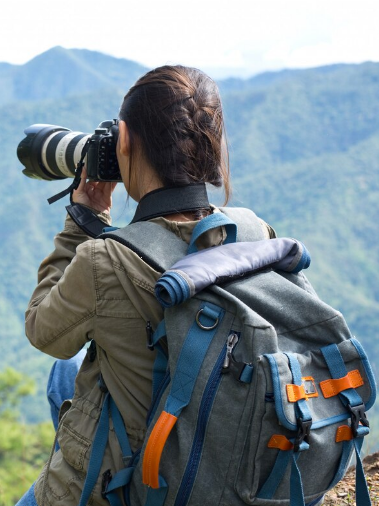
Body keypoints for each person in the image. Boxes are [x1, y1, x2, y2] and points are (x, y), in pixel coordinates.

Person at [15, 65, 276, 506]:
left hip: (145, 482)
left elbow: (43, 330)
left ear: (123, 140)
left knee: (65, 363)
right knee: (66, 375)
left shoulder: (106, 260)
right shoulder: (253, 232)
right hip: (234, 464)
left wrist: (83, 222)